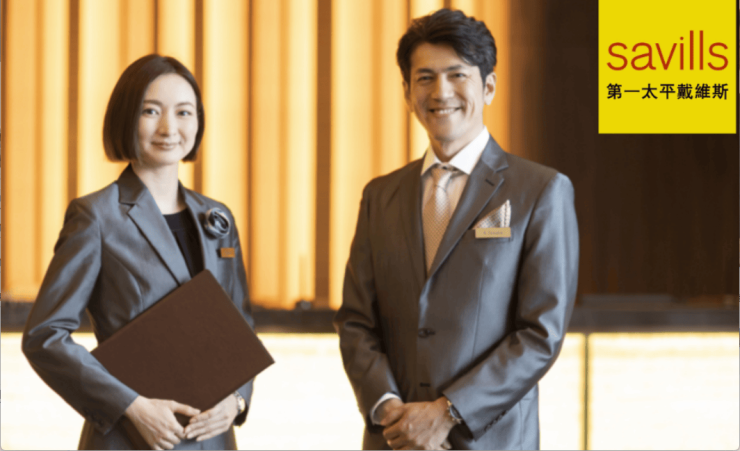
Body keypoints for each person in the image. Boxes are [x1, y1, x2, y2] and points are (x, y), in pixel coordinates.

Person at [334, 9, 579, 450]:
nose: (440, 92)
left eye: (457, 75)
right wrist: (388, 408)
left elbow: (540, 333)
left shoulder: (540, 190)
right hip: (393, 439)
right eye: (424, 78)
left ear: (488, 87)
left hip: (490, 440)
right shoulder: (379, 196)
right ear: (407, 92)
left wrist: (448, 412)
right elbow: (356, 321)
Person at [22, 55, 252, 450]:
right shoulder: (95, 216)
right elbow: (45, 336)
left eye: (184, 112)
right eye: (151, 111)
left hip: (212, 439)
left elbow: (238, 325)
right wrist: (130, 405)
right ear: (126, 118)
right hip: (129, 437)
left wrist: (237, 399)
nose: (169, 128)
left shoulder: (218, 217)